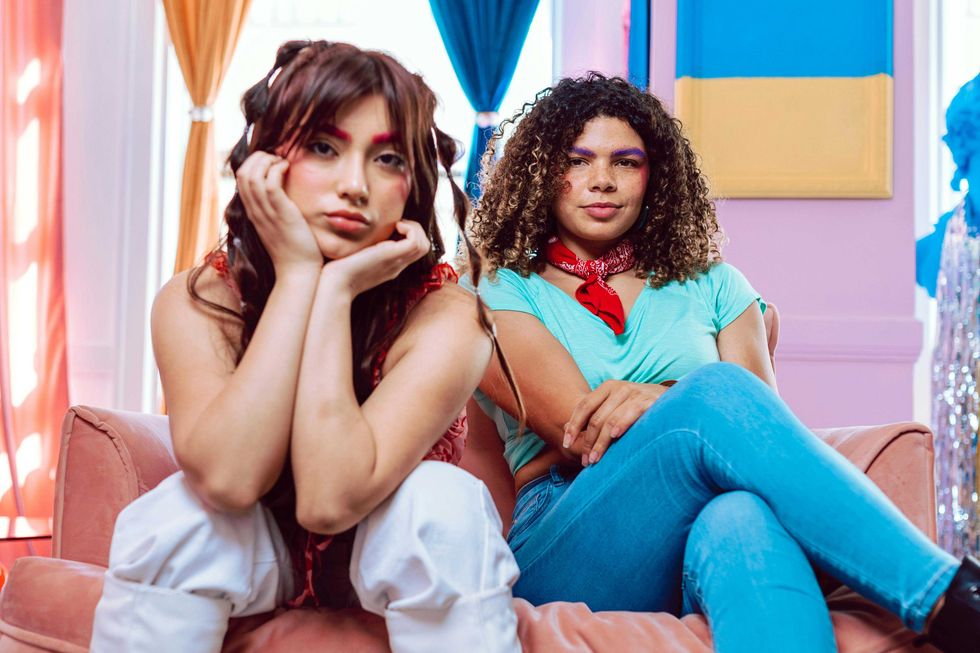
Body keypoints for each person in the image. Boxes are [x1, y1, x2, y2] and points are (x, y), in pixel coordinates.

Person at [465, 73, 980, 653]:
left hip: (706, 529)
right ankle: (949, 599)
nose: (602, 181)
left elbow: (754, 423)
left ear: (654, 175)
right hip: (570, 533)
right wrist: (680, 394)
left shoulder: (716, 286)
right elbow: (577, 429)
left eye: (626, 162)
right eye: (577, 160)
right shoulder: (495, 289)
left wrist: (666, 397)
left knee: (741, 512)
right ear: (539, 171)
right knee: (713, 392)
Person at [89, 40, 522, 653]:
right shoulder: (200, 299)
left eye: (388, 159)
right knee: (178, 518)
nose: (355, 185)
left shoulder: (447, 315)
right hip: (258, 552)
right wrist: (298, 277)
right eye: (324, 147)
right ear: (266, 162)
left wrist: (336, 288)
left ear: (412, 187)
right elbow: (228, 480)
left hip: (391, 551)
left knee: (442, 504)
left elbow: (329, 499)